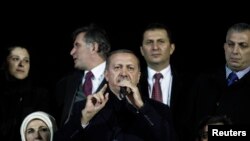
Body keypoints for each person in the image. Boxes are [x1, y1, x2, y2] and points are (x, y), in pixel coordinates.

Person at [54, 49, 176, 141]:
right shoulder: (84, 108)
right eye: (117, 67)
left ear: (138, 77)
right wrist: (84, 119)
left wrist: (143, 108)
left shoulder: (159, 110)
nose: (124, 73)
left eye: (130, 68)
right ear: (106, 75)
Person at [189, 22, 250, 140]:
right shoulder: (203, 81)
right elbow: (187, 125)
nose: (235, 51)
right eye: (231, 44)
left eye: (243, 45)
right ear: (224, 47)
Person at [139, 22, 190, 140]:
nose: (155, 47)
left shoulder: (191, 84)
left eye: (161, 41)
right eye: (149, 42)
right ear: (142, 50)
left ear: (172, 48)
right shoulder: (133, 84)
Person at [54, 23, 111, 128]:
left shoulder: (117, 77)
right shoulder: (66, 83)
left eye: (77, 45)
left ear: (94, 47)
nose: (72, 52)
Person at [0, 45, 51, 141]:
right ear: (5, 63)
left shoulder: (40, 94)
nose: (21, 64)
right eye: (15, 59)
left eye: (26, 60)